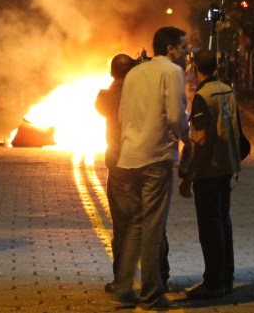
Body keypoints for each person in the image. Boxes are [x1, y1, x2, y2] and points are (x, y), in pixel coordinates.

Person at [111, 26, 189, 311]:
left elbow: (122, 114)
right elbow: (176, 116)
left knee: (134, 225)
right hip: (156, 157)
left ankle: (123, 288)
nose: (186, 52)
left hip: (129, 156)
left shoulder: (134, 72)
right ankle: (151, 294)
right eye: (183, 46)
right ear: (170, 48)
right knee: (153, 228)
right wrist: (185, 139)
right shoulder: (172, 73)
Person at [179, 49, 241, 300]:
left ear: (195, 67)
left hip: (210, 168)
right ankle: (225, 278)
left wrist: (189, 174)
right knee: (223, 222)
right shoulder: (227, 89)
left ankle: (213, 282)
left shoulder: (203, 96)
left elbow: (201, 140)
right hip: (227, 164)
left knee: (210, 227)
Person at [94, 53, 142, 293]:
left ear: (112, 73)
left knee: (122, 225)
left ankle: (121, 280)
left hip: (119, 165)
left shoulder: (107, 96)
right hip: (144, 164)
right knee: (151, 223)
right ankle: (160, 276)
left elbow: (100, 104)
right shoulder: (144, 93)